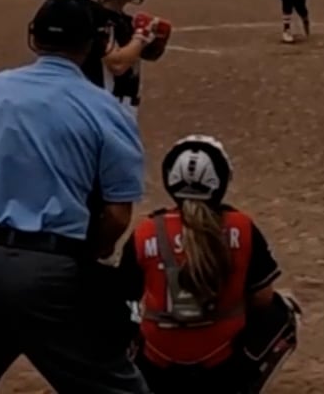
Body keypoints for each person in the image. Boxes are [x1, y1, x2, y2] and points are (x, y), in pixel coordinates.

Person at [0, 0, 152, 394]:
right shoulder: (105, 108)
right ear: (92, 44)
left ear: (34, 37)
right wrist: (83, 251)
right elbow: (116, 216)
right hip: (55, 273)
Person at [118, 135, 300, 394]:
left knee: (120, 318)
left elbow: (125, 301)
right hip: (222, 369)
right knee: (284, 311)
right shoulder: (241, 227)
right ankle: (244, 386)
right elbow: (262, 299)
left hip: (158, 368)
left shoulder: (146, 230)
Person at [80, 0, 173, 119]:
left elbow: (150, 55)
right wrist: (142, 35)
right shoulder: (97, 20)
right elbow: (117, 64)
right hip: (104, 107)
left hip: (114, 106)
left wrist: (153, 41)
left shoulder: (124, 22)